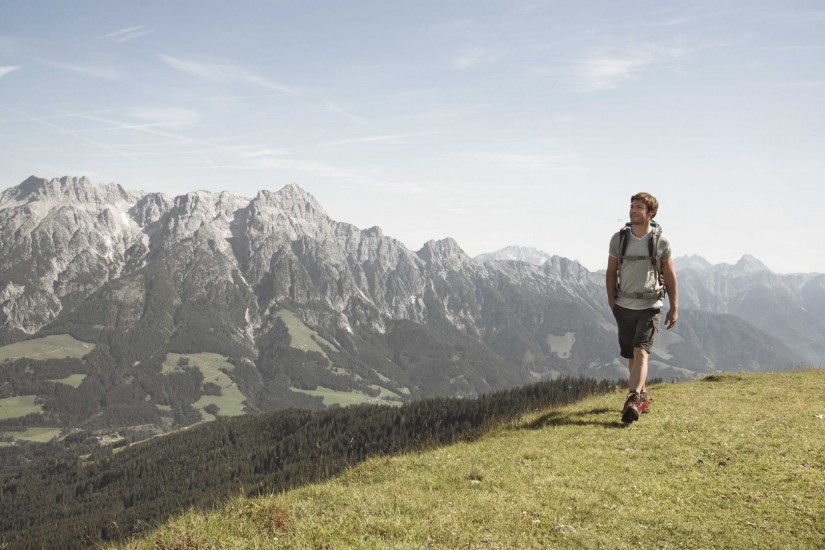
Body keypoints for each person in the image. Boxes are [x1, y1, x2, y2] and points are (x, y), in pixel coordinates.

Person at [606, 192, 678, 424]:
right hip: (624, 305)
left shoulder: (661, 241)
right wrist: (611, 301)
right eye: (632, 206)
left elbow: (670, 274)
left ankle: (633, 398)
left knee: (641, 352)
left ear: (651, 213)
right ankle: (643, 396)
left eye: (639, 207)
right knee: (631, 355)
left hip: (651, 305)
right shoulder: (619, 239)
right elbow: (610, 271)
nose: (633, 210)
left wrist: (673, 306)